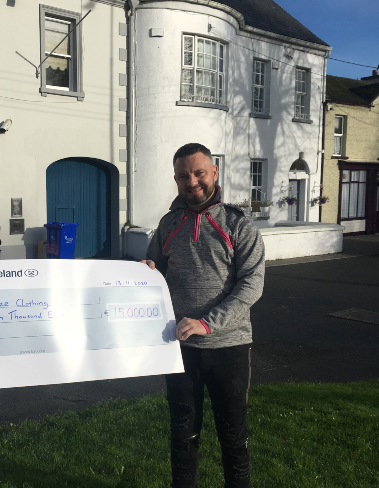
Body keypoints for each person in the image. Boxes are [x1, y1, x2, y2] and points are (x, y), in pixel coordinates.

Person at [142, 143, 265, 488]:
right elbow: (156, 272)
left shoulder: (238, 224)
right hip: (179, 348)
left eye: (198, 173)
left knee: (233, 436)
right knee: (183, 435)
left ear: (214, 173)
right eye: (183, 176)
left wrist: (208, 323)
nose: (191, 181)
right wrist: (149, 272)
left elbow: (252, 285)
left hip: (230, 348)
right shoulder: (167, 225)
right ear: (176, 180)